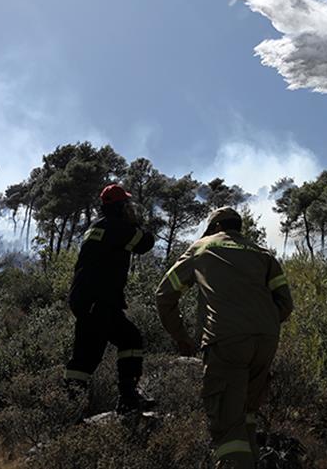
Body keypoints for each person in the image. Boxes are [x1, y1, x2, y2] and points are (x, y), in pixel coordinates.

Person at [156, 207, 294, 468]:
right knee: (246, 414)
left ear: (215, 228)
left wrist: (181, 336)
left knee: (227, 424)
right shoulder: (263, 254)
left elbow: (164, 294)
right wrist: (259, 322)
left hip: (226, 339)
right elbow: (285, 304)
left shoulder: (201, 247)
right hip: (266, 340)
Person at [64, 183, 156, 413]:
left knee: (85, 356)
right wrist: (137, 223)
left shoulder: (96, 227)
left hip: (85, 299)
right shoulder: (118, 227)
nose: (129, 208)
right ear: (119, 206)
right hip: (100, 300)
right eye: (126, 204)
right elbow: (145, 243)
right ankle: (128, 398)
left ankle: (68, 407)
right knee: (131, 339)